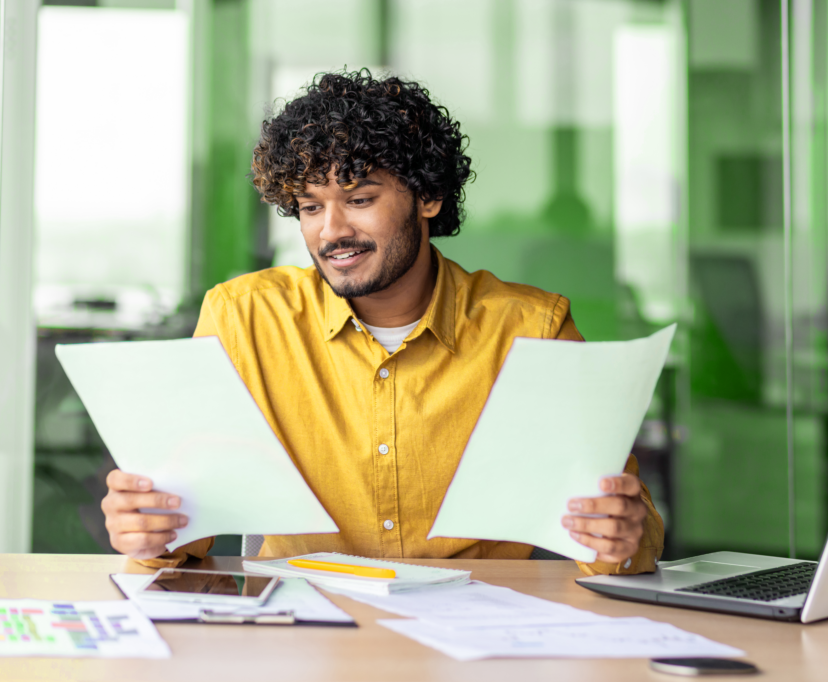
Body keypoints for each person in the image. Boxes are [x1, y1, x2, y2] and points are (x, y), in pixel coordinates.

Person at [100, 70, 664, 575]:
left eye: (360, 198)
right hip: (301, 633)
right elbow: (179, 533)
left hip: (476, 635)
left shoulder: (530, 329)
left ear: (430, 196)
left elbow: (621, 533)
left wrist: (620, 537)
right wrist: (148, 529)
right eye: (311, 206)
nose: (331, 231)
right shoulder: (245, 317)